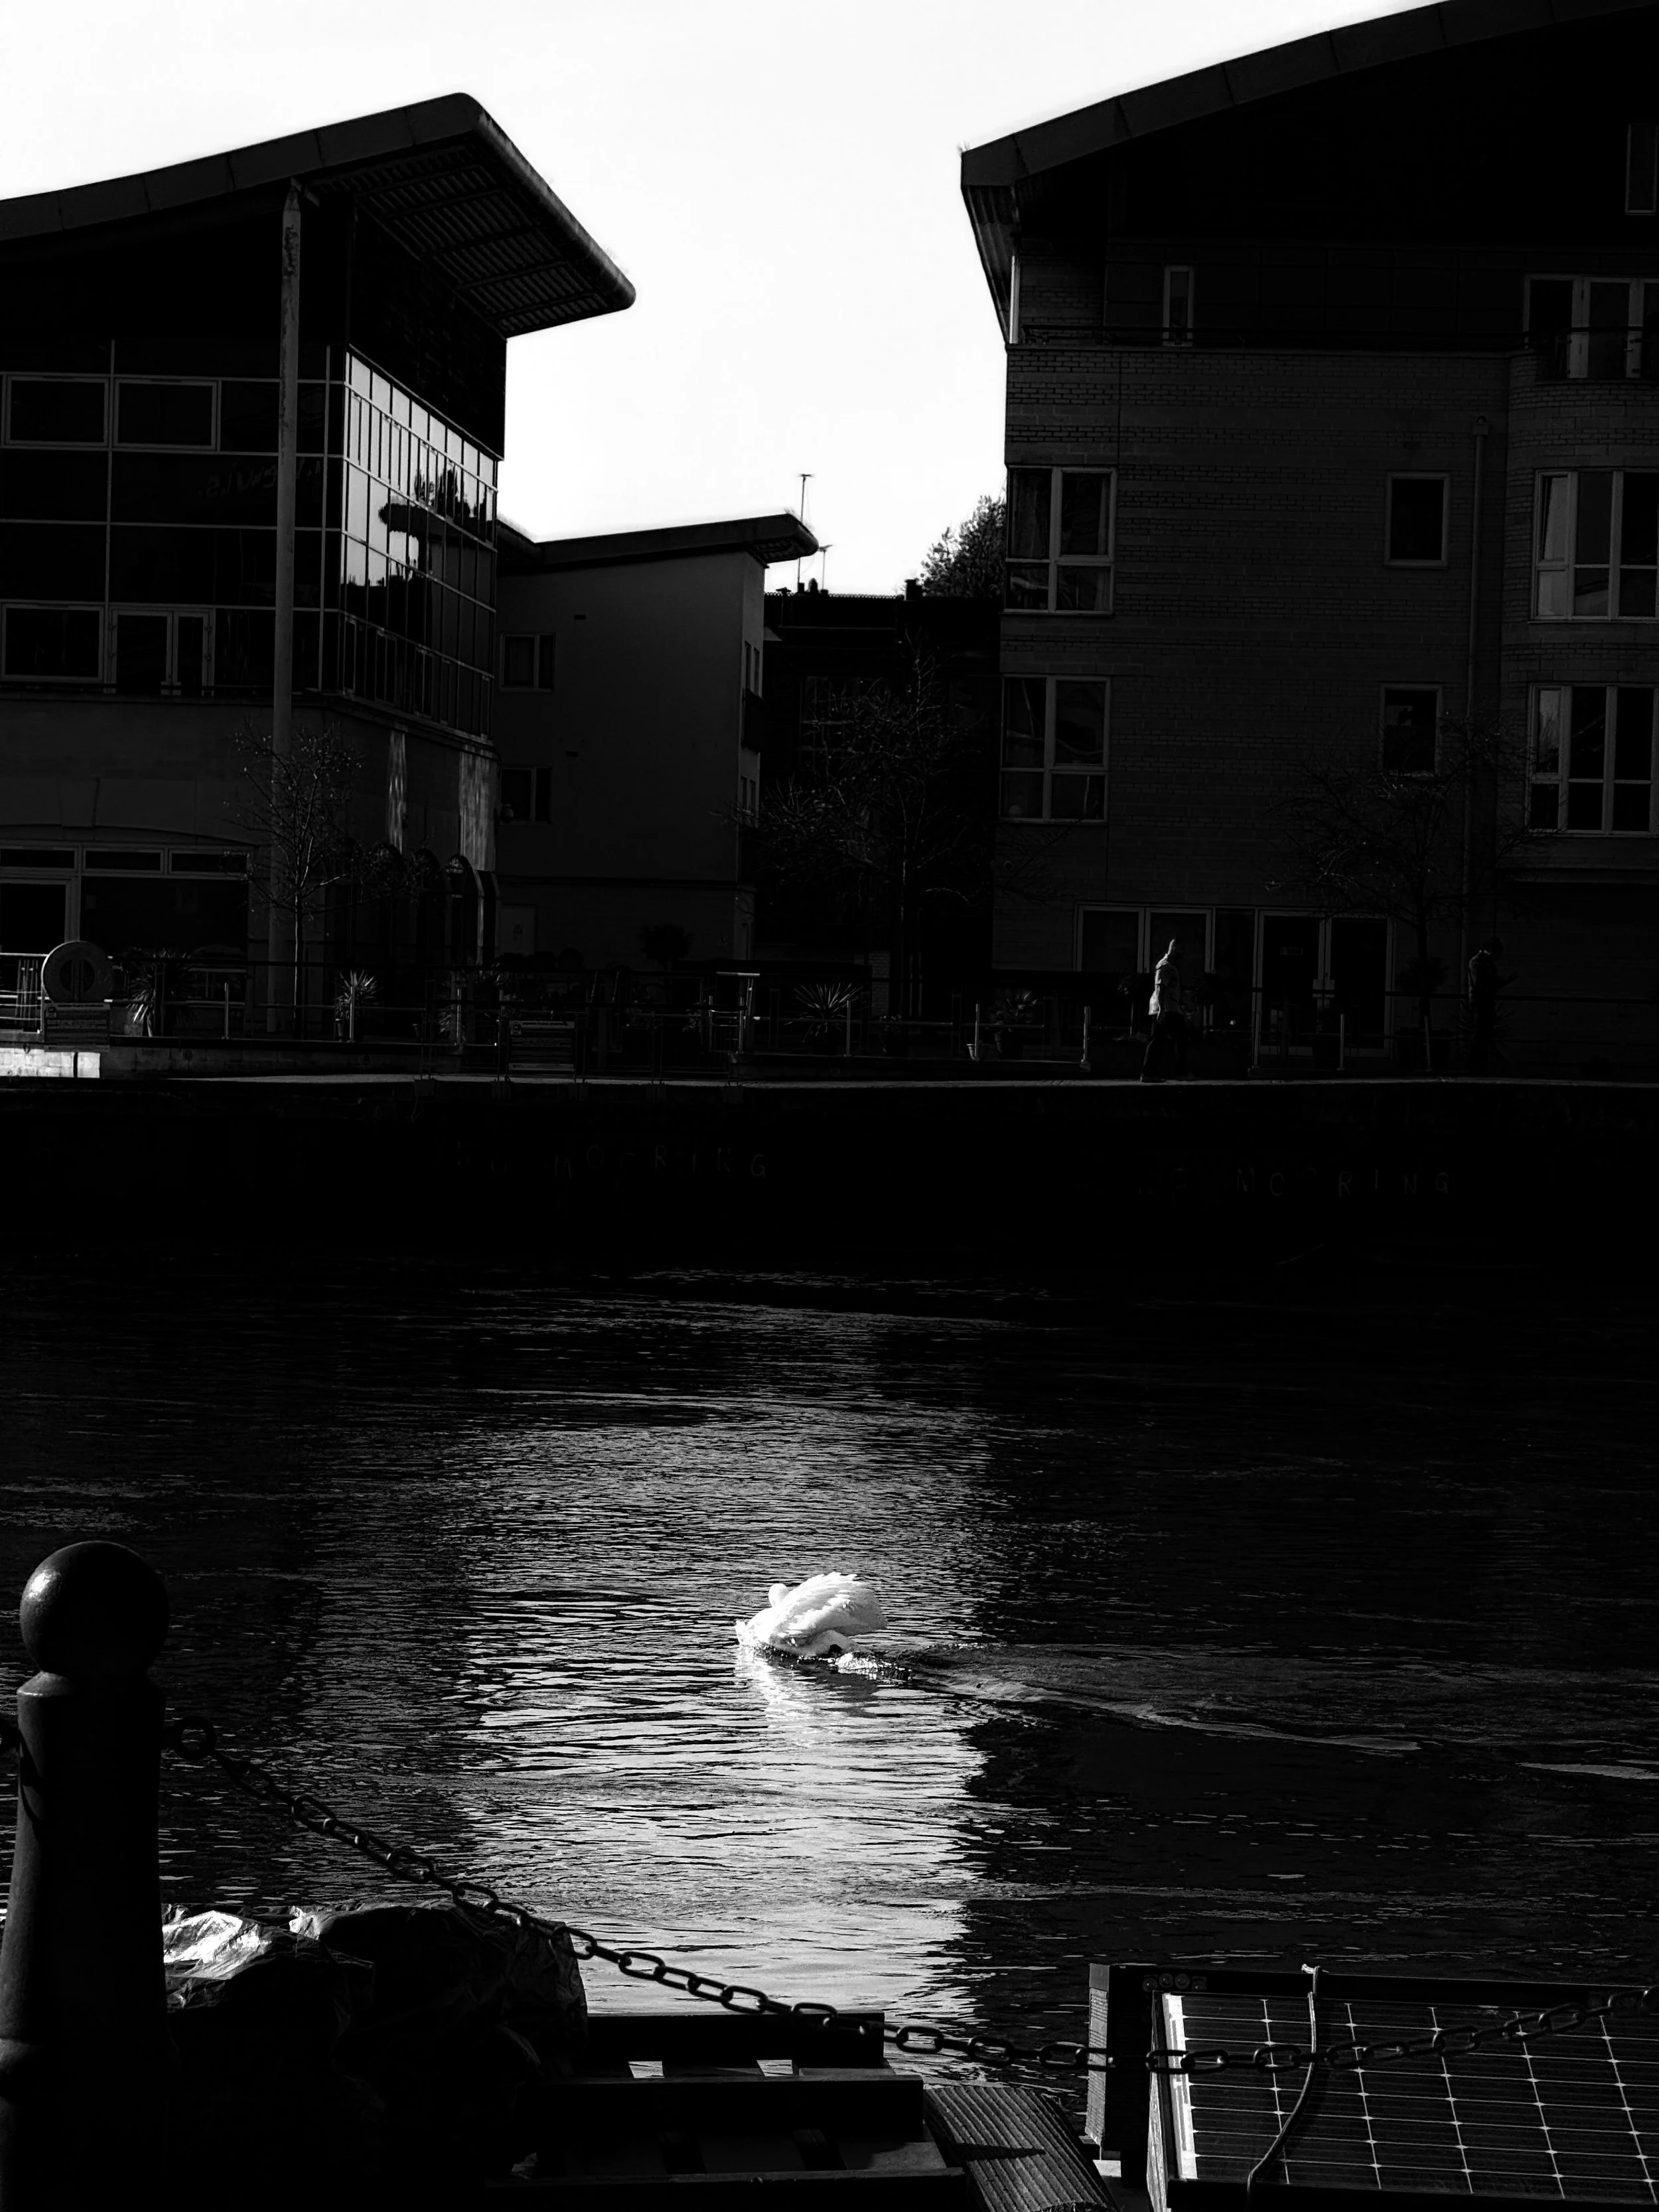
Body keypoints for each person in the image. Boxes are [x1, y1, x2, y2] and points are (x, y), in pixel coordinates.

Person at [1141, 936, 1189, 1080]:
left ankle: (1153, 1073)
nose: (1184, 953)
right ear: (1175, 948)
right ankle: (1175, 1072)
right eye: (1181, 949)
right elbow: (1160, 988)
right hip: (1166, 1009)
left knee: (1162, 1040)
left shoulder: (1169, 965)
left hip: (1169, 1008)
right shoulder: (1166, 966)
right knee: (1168, 1039)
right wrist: (1162, 1010)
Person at [1467, 938, 1510, 1075]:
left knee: (1484, 1034)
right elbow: (1480, 983)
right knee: (1480, 1034)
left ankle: (1479, 1066)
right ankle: (1475, 1066)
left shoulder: (1486, 963)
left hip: (1485, 1000)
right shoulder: (1479, 962)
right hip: (1481, 1001)